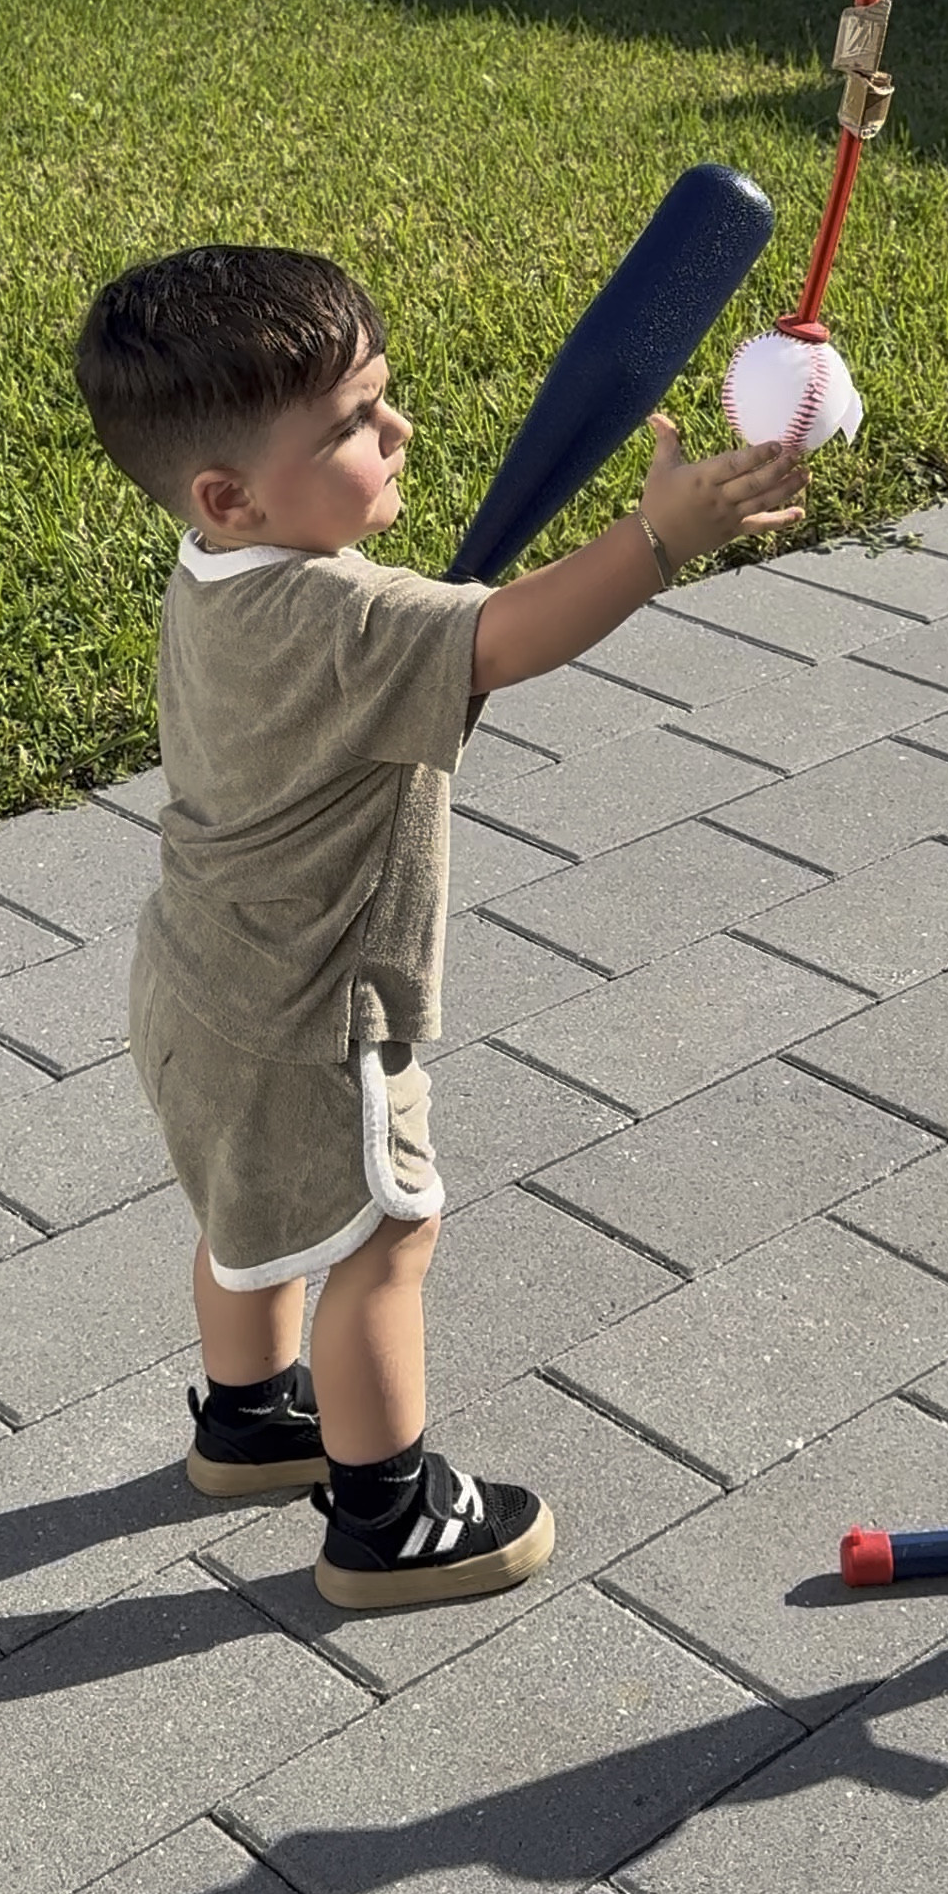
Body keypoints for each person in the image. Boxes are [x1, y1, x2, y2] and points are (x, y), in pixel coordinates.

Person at [72, 243, 807, 1611]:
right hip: (314, 1011)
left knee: (249, 1218)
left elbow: (412, 681)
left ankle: (247, 1422)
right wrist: (662, 537)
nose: (397, 429)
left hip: (197, 986)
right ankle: (388, 1517)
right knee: (385, 1240)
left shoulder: (213, 575)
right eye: (351, 423)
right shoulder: (346, 612)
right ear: (232, 493)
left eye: (382, 393)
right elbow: (513, 635)